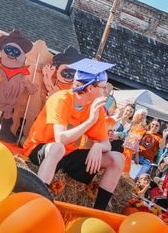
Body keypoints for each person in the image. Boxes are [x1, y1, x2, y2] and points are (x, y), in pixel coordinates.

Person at [23, 58, 125, 210]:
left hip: (68, 154)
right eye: (103, 87)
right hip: (41, 149)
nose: (105, 92)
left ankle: (98, 211)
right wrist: (90, 121)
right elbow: (61, 138)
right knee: (58, 148)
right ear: (90, 88)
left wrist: (97, 148)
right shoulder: (61, 98)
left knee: (118, 159)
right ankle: (38, 201)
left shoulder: (93, 107)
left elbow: (106, 143)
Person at [122, 109, 148, 173]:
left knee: (126, 168)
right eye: (142, 114)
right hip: (123, 147)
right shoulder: (131, 122)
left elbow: (138, 142)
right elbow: (124, 133)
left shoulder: (143, 128)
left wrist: (137, 155)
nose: (143, 117)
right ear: (137, 114)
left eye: (144, 115)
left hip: (131, 151)